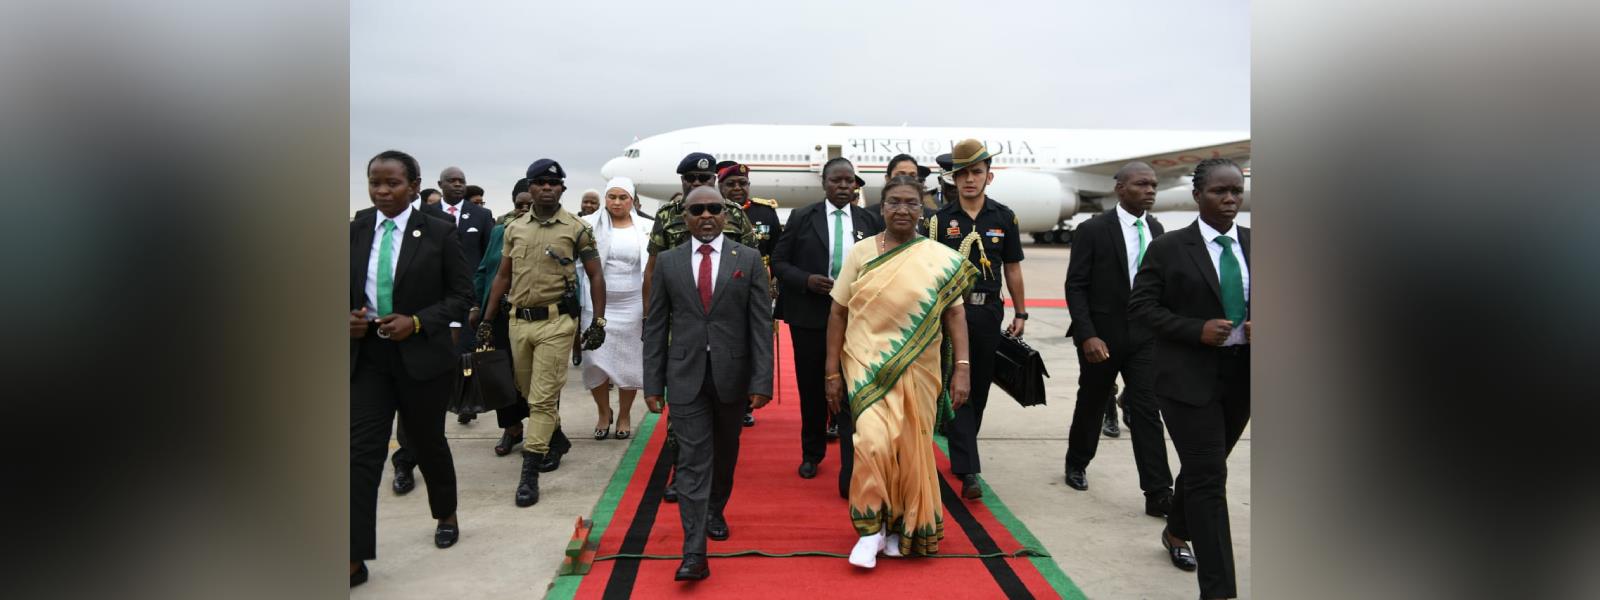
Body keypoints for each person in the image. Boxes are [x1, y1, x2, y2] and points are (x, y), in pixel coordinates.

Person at [824, 176, 976, 568]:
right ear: (881, 208)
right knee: (872, 443)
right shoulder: (860, 254)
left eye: (911, 203)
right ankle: (870, 532)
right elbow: (838, 311)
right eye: (894, 202)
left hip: (920, 368)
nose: (903, 210)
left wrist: (962, 368)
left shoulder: (937, 257)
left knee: (910, 450)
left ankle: (902, 527)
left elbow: (956, 314)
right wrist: (831, 372)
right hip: (865, 364)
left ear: (922, 211)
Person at [1129, 158, 1251, 600]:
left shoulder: (1259, 244)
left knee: (1203, 471)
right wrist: (1194, 329)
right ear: (1198, 195)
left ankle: (1177, 530)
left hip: (1243, 381)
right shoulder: (1169, 248)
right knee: (1209, 479)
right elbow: (1141, 309)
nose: (1231, 199)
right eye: (1220, 191)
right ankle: (1219, 591)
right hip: (1185, 381)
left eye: (1236, 190)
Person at [349, 150, 471, 587]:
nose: (382, 191)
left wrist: (417, 322)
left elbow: (461, 295)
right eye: (374, 183)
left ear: (415, 186)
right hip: (368, 360)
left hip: (422, 357)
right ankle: (352, 557)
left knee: (425, 441)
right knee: (359, 453)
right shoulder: (356, 228)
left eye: (392, 184)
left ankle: (446, 514)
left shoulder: (439, 232)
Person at [642, 187, 774, 582]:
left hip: (732, 378)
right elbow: (656, 325)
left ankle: (716, 507)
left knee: (725, 454)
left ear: (725, 215)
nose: (705, 215)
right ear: (684, 216)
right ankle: (694, 551)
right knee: (692, 461)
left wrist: (762, 380)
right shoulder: (668, 262)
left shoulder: (748, 259)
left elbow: (759, 326)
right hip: (685, 378)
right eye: (696, 209)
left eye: (713, 209)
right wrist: (652, 383)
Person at [481, 158, 608, 508]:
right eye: (540, 183)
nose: (547, 188)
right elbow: (503, 276)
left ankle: (529, 471)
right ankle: (558, 438)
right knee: (526, 391)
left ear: (562, 189)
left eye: (554, 183)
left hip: (556, 322)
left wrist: (597, 321)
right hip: (518, 321)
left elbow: (595, 274)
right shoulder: (514, 228)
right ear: (530, 187)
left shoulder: (577, 228)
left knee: (540, 398)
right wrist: (488, 321)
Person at [1062, 162, 1176, 518]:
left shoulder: (1156, 229)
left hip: (1145, 337)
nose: (1150, 190)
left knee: (1146, 410)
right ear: (1120, 189)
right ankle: (1077, 463)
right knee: (1093, 402)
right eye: (1142, 184)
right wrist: (1088, 335)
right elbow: (1075, 286)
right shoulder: (1093, 229)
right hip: (1102, 336)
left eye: (1154, 184)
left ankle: (1158, 491)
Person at [642, 152, 756, 503]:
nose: (697, 184)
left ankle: (713, 485)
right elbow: (653, 268)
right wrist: (650, 318)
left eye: (704, 180)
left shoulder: (734, 214)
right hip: (682, 323)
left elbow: (752, 266)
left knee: (723, 421)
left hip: (724, 326)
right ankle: (684, 470)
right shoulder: (666, 216)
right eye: (690, 178)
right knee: (683, 409)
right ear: (681, 182)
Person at [772, 157, 883, 496]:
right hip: (810, 316)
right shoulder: (802, 217)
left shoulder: (869, 220)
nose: (843, 186)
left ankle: (854, 455)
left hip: (857, 317)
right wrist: (806, 280)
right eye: (836, 180)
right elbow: (779, 261)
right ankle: (812, 452)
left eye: (849, 181)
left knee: (853, 387)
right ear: (824, 183)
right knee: (812, 387)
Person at [932, 139, 1028, 500]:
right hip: (951, 313)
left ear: (990, 176)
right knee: (961, 384)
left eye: (976, 172)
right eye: (962, 174)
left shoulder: (1004, 217)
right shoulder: (939, 221)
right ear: (953, 179)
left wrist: (1020, 311)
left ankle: (963, 448)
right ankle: (968, 468)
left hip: (988, 311)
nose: (969, 180)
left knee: (981, 386)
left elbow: (1013, 267)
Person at [576, 177, 650, 440]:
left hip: (632, 303)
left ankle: (625, 414)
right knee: (595, 361)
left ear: (632, 200)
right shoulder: (586, 226)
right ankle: (603, 411)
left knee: (629, 363)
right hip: (596, 304)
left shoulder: (646, 227)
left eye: (623, 198)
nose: (617, 202)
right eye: (612, 197)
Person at [717, 160, 781, 427]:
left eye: (742, 183)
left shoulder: (765, 213)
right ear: (720, 186)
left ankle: (745, 402)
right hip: (722, 290)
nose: (737, 188)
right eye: (731, 184)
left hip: (756, 291)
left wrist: (774, 285)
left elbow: (777, 251)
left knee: (752, 345)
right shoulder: (713, 212)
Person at [868, 153, 936, 234]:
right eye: (900, 175)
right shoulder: (868, 216)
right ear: (887, 179)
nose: (906, 180)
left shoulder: (932, 217)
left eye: (912, 176)